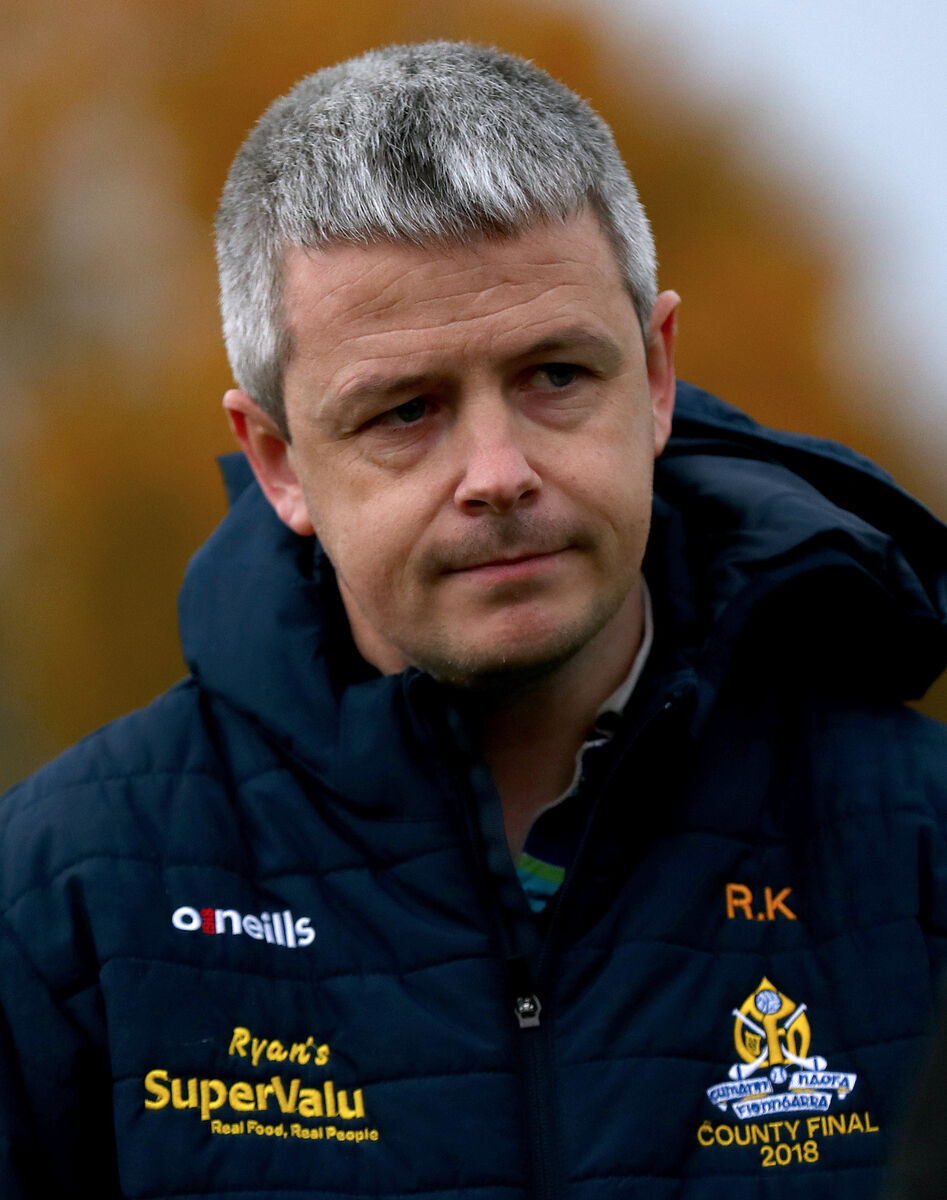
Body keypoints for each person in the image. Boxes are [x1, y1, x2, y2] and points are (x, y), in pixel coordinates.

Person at [1, 40, 945, 1200]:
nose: (497, 473)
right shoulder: (63, 896)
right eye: (405, 411)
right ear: (279, 460)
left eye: (555, 376)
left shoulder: (918, 847)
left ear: (653, 377)